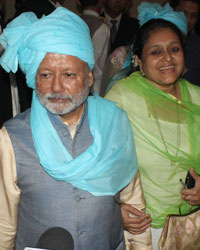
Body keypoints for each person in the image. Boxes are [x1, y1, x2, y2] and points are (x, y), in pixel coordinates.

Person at [0, 7, 151, 250]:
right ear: (33, 79)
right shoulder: (11, 138)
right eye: (46, 74)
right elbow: (3, 224)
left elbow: (134, 205)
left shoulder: (115, 124)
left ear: (90, 77)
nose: (56, 87)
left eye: (69, 74)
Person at [106, 2, 200, 249]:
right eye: (156, 52)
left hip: (194, 223)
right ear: (138, 58)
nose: (167, 58)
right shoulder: (122, 97)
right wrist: (114, 206)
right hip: (145, 226)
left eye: (174, 49)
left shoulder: (197, 97)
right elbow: (98, 159)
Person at [78, 0, 110, 94]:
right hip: (91, 88)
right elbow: (97, 67)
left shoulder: (73, 22)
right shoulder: (101, 27)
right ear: (100, 2)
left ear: (78, 2)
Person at [171, 0, 200, 86]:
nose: (188, 19)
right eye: (184, 13)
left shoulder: (197, 45)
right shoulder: (153, 39)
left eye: (193, 15)